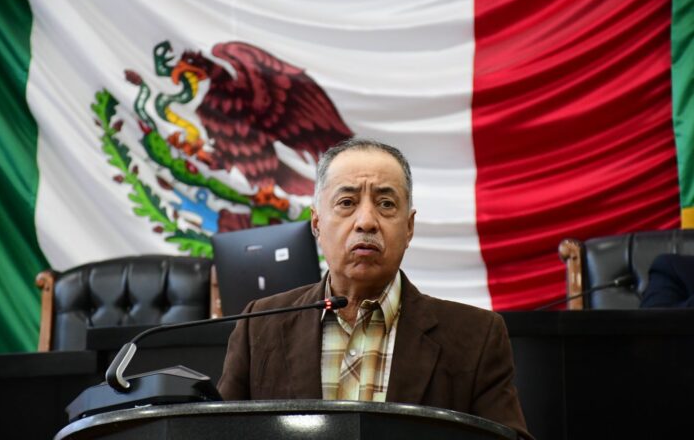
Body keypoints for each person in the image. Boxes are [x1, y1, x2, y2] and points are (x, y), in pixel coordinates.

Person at [217, 138, 532, 439]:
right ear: (316, 223)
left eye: (385, 204)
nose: (366, 221)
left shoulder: (476, 336)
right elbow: (216, 432)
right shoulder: (260, 325)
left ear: (409, 228)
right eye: (347, 202)